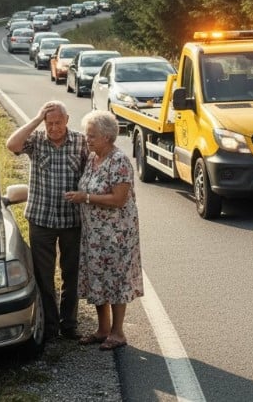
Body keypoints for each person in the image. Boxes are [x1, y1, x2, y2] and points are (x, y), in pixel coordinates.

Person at [6, 100, 88, 341]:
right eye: (49, 123)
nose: (53, 128)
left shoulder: (81, 142)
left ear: (67, 120)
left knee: (71, 273)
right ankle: (50, 326)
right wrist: (36, 119)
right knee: (44, 274)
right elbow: (12, 144)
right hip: (41, 219)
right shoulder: (37, 141)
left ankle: (69, 324)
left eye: (58, 123)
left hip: (72, 220)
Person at [64, 110, 143, 351]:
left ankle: (118, 333)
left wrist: (85, 197)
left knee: (116, 280)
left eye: (92, 136)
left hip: (116, 234)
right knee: (98, 278)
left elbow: (119, 199)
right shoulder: (92, 158)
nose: (88, 140)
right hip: (95, 234)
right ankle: (103, 329)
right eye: (87, 135)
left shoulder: (118, 161)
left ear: (108, 137)